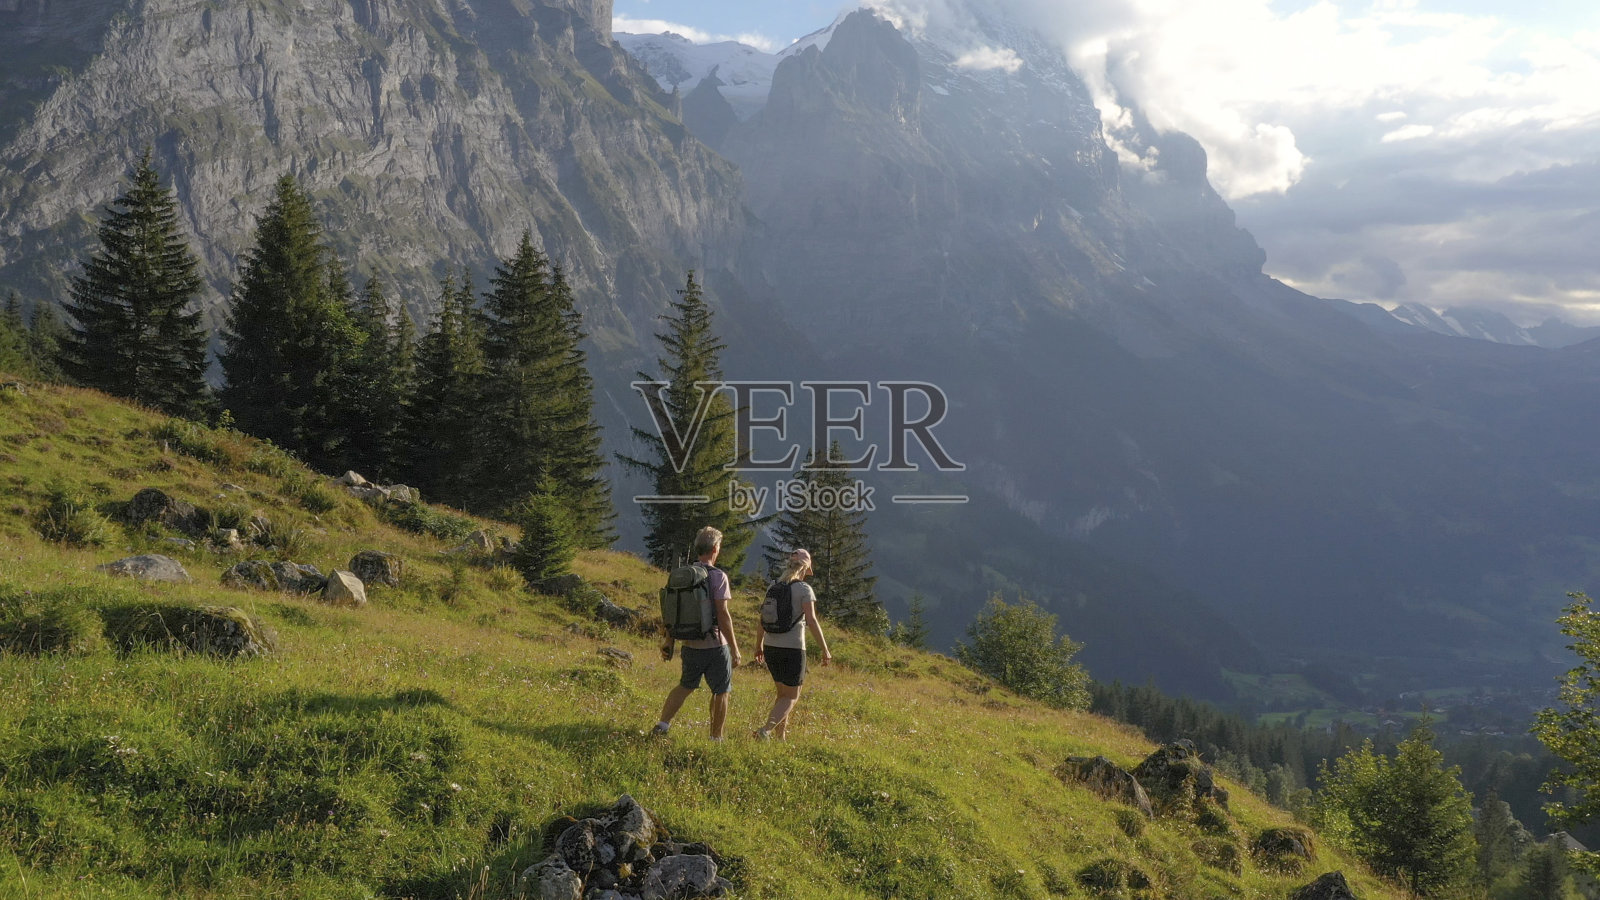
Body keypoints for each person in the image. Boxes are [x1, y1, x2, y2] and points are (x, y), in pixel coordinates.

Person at [652, 526, 743, 739]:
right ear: (714, 549)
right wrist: (735, 648)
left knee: (685, 685)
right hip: (715, 645)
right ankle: (716, 738)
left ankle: (662, 725)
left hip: (689, 644)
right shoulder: (718, 576)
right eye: (719, 547)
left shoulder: (682, 575)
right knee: (721, 691)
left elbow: (672, 612)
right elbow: (722, 614)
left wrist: (669, 641)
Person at [751, 548, 831, 740]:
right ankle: (765, 731)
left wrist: (758, 645)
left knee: (782, 695)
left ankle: (781, 737)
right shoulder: (804, 590)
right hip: (793, 648)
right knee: (792, 696)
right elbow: (811, 621)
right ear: (806, 569)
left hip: (771, 647)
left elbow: (763, 618)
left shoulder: (773, 587)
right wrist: (824, 649)